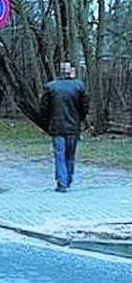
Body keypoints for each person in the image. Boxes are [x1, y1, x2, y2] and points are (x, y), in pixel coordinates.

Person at [39, 61, 90, 192]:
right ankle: (68, 179)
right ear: (71, 71)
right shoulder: (78, 86)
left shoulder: (51, 87)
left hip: (56, 126)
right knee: (70, 155)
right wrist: (79, 119)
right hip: (73, 126)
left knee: (59, 155)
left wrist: (49, 121)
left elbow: (44, 108)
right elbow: (84, 107)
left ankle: (62, 182)